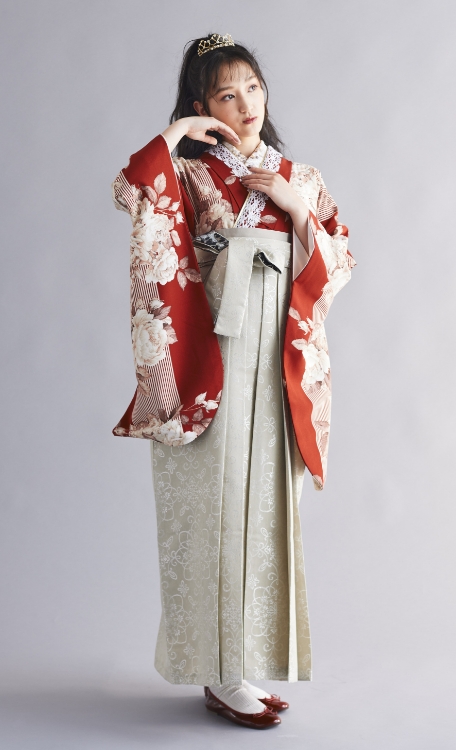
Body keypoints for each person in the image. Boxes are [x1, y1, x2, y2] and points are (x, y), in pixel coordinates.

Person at [111, 32, 355, 730]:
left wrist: (296, 208)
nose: (246, 104)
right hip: (213, 361)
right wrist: (176, 136)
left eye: (253, 87)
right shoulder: (190, 174)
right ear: (202, 106)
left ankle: (240, 668)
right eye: (226, 94)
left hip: (278, 359)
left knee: (266, 512)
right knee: (213, 512)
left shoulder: (300, 176)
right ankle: (219, 674)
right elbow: (131, 192)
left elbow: (339, 263)